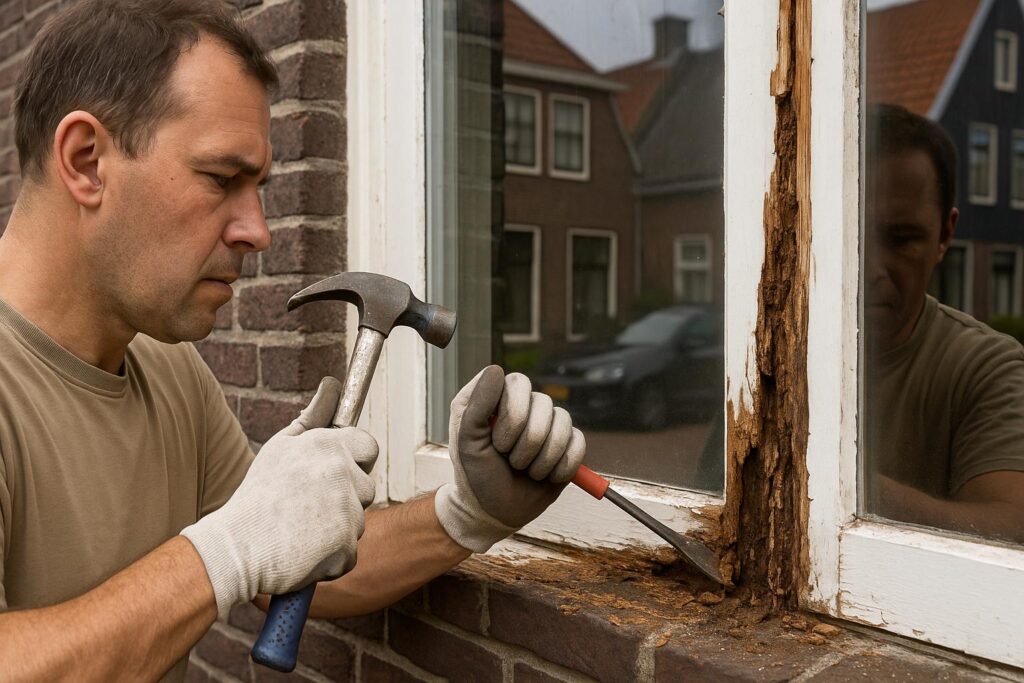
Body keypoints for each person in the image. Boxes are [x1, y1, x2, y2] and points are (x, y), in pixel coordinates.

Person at [0, 1, 585, 680]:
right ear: (86, 159)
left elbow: (293, 561)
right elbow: (234, 555)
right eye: (222, 178)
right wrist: (224, 549)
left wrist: (467, 510)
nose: (258, 229)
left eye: (260, 189)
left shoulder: (167, 368)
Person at [863, 103, 1024, 542]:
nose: (872, 267)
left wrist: (851, 489)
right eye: (853, 234)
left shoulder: (987, 366)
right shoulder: (774, 351)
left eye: (901, 240)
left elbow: (1014, 528)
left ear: (945, 236)